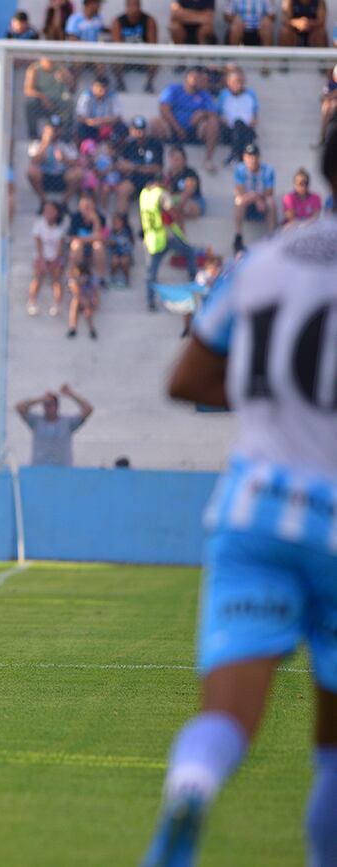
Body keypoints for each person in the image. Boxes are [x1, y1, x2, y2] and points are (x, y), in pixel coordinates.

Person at [142, 139, 337, 867]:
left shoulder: (266, 261)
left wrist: (271, 400)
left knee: (224, 717)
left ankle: (192, 787)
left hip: (252, 512)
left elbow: (186, 377)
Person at [141, 176, 201, 312]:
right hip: (165, 236)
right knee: (189, 252)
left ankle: (150, 301)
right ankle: (194, 278)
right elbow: (171, 211)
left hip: (151, 237)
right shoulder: (161, 194)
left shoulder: (144, 194)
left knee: (151, 272)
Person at [152, 68, 221, 174]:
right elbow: (164, 109)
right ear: (189, 77)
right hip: (173, 128)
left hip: (195, 130)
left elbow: (214, 114)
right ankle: (157, 161)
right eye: (197, 77)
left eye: (202, 79)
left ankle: (208, 160)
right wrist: (177, 128)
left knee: (213, 123)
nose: (200, 81)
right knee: (155, 123)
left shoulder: (204, 94)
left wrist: (203, 113)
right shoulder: (173, 90)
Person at [16, 385, 93, 467]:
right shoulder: (36, 421)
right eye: (46, 405)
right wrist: (40, 399)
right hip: (39, 469)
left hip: (62, 469)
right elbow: (19, 408)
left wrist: (71, 394)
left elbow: (88, 409)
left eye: (51, 405)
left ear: (57, 406)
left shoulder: (67, 422)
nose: (48, 408)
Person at [114, 117, 165, 215]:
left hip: (151, 180)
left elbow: (157, 168)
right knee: (122, 189)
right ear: (131, 130)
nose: (140, 133)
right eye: (136, 130)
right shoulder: (128, 145)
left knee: (153, 193)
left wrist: (134, 167)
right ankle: (123, 223)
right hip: (133, 180)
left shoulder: (155, 144)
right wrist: (126, 168)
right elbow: (121, 165)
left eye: (142, 129)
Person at [27, 116, 81, 207]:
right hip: (45, 176)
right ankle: (43, 202)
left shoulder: (67, 142)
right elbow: (33, 161)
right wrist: (45, 143)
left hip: (62, 176)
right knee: (31, 171)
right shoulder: (37, 142)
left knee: (78, 174)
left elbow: (75, 163)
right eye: (52, 128)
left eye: (57, 128)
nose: (55, 131)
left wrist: (64, 158)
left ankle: (63, 203)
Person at [233, 143, 278, 250]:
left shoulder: (268, 170)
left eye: (255, 156)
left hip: (262, 204)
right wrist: (256, 197)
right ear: (244, 157)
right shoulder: (239, 169)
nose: (252, 159)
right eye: (249, 156)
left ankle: (272, 236)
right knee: (238, 201)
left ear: (259, 157)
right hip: (248, 202)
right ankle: (238, 237)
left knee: (271, 202)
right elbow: (240, 191)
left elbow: (269, 191)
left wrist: (257, 197)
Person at [31, 199, 68, 317]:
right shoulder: (39, 224)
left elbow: (60, 247)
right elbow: (38, 243)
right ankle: (32, 302)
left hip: (55, 258)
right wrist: (42, 260)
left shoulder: (60, 228)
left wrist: (55, 260)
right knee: (37, 277)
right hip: (41, 257)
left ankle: (57, 304)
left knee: (56, 280)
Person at [111, 0, 159, 93]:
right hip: (125, 57)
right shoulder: (118, 21)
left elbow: (153, 45)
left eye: (136, 5)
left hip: (143, 57)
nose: (134, 8)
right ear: (126, 7)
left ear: (140, 6)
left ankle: (149, 84)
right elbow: (117, 45)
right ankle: (120, 83)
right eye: (131, 5)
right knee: (115, 58)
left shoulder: (149, 20)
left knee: (155, 59)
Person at [217, 67, 259, 165]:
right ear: (228, 82)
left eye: (241, 80)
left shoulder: (250, 94)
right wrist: (222, 120)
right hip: (228, 130)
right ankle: (241, 157)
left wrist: (254, 120)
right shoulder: (224, 95)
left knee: (244, 129)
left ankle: (236, 156)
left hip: (246, 129)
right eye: (236, 81)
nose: (239, 83)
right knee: (238, 123)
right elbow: (217, 113)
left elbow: (255, 113)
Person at [23, 57, 73, 139]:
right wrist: (43, 98)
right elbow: (27, 90)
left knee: (68, 103)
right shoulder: (34, 69)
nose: (51, 62)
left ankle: (66, 139)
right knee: (30, 104)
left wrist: (65, 78)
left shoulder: (60, 68)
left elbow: (72, 87)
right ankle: (33, 137)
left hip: (57, 103)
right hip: (41, 103)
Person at [67, 193, 109, 278]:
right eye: (84, 206)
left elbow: (101, 237)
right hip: (80, 246)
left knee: (98, 246)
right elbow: (72, 237)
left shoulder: (101, 218)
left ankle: (101, 278)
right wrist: (92, 238)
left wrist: (96, 221)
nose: (86, 209)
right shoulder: (75, 218)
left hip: (93, 246)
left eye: (89, 206)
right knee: (76, 245)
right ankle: (72, 277)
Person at [75, 76, 121, 144]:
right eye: (100, 89)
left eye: (105, 88)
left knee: (121, 128)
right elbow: (79, 116)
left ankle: (114, 151)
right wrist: (89, 121)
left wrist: (101, 121)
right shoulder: (86, 95)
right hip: (90, 126)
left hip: (107, 125)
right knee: (80, 128)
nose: (103, 92)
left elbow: (118, 117)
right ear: (93, 87)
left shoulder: (112, 95)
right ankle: (81, 150)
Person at [165, 145, 205, 222]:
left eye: (179, 159)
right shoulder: (168, 174)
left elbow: (188, 192)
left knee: (185, 207)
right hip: (175, 200)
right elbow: (167, 191)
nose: (176, 161)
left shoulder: (190, 173)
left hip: (194, 200)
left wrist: (172, 201)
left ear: (184, 159)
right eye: (174, 159)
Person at [66, 265, 100, 340]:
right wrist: (78, 283)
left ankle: (91, 328)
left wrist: (94, 301)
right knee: (75, 302)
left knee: (85, 304)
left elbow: (96, 294)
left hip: (88, 301)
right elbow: (76, 293)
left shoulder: (92, 280)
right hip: (79, 300)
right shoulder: (73, 281)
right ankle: (73, 327)